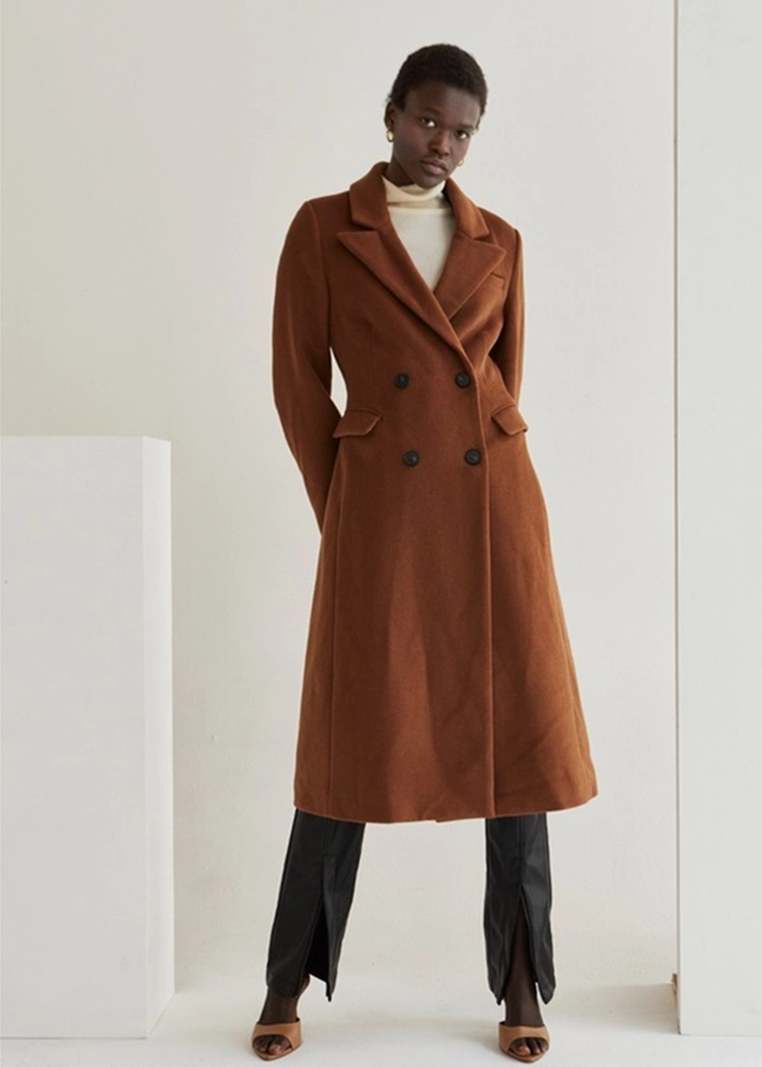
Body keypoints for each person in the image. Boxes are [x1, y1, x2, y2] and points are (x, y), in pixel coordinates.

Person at [252, 42, 598, 1063]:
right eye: (428, 121)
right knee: (344, 747)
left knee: (515, 743)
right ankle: (284, 981)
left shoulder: (500, 241)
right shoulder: (326, 228)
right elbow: (297, 386)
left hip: (491, 509)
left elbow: (500, 384)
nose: (443, 144)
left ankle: (522, 982)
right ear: (393, 114)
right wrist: (349, 509)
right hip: (382, 514)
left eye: (462, 131)